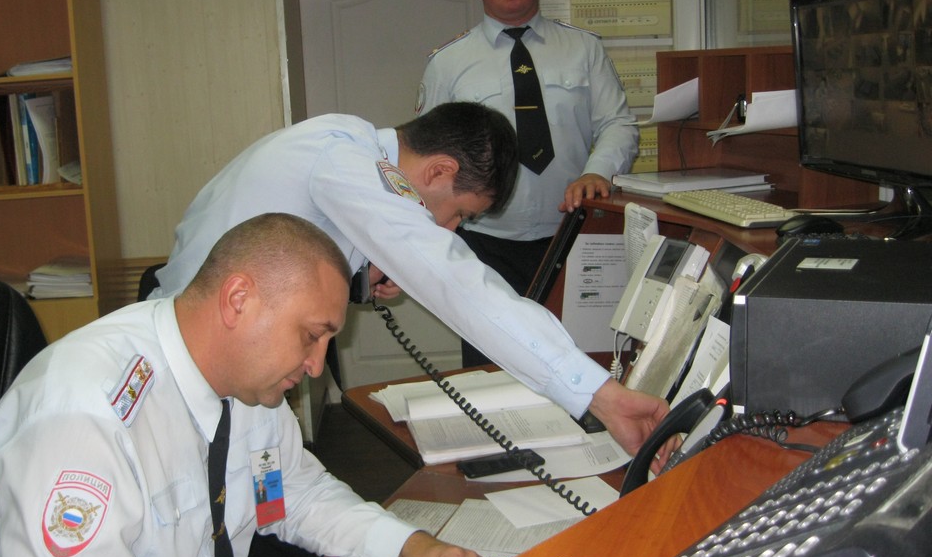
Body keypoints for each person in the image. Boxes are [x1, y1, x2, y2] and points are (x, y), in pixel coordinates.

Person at [0, 213, 491, 557]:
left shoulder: (249, 385)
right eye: (311, 335)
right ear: (239, 300)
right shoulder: (87, 416)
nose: (316, 366)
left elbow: (292, 495)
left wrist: (411, 547)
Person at [149, 101, 670, 467]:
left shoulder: (346, 146)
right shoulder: (344, 159)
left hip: (221, 350)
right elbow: (453, 278)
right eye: (459, 213)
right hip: (184, 368)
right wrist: (597, 394)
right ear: (440, 170)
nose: (451, 229)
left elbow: (297, 250)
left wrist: (361, 276)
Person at [416, 0, 640, 366]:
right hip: (482, 247)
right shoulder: (448, 64)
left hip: (574, 238)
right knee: (491, 371)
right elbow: (423, 158)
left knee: (581, 366)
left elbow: (618, 123)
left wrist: (598, 171)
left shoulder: (584, 50)